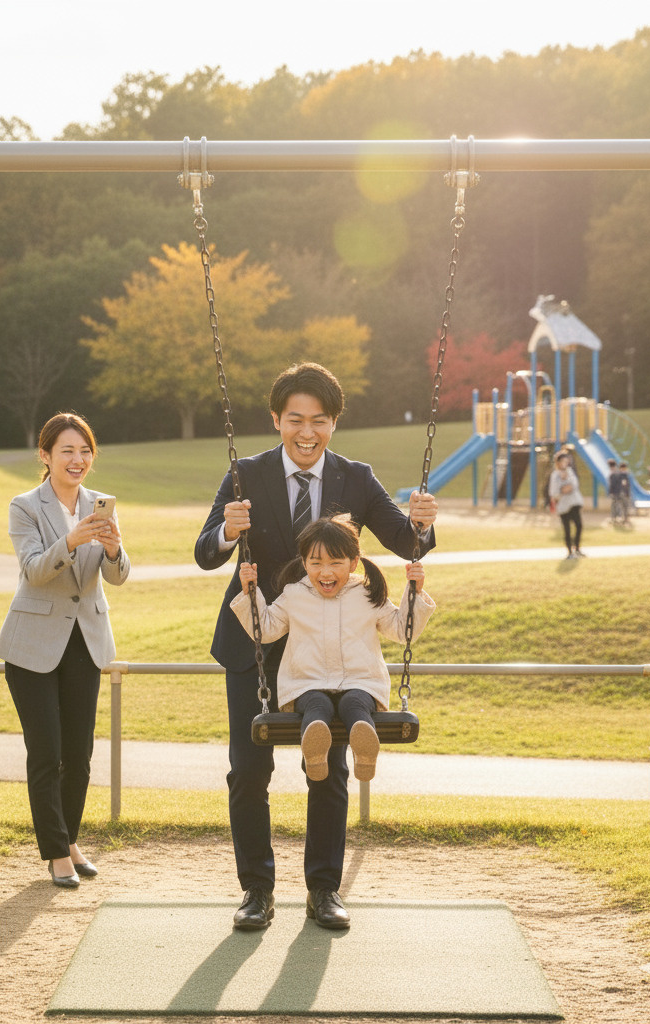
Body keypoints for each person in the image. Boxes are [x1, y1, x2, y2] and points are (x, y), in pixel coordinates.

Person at [194, 362, 437, 932]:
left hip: (329, 647)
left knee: (326, 766)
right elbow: (206, 552)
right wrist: (229, 531)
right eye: (295, 420)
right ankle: (256, 889)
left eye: (319, 421)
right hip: (257, 640)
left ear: (334, 423)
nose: (307, 433)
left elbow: (405, 539)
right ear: (276, 419)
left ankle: (323, 890)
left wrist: (422, 524)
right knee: (248, 771)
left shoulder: (356, 477)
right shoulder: (245, 474)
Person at [0, 412, 130, 889]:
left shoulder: (101, 504)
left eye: (85, 450)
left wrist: (113, 549)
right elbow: (34, 570)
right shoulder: (25, 506)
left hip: (85, 643)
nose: (78, 460)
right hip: (32, 646)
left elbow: (117, 575)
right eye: (67, 451)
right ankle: (55, 853)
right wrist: (71, 540)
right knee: (46, 753)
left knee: (80, 753)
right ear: (46, 455)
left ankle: (69, 839)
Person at [231, 516, 435, 794]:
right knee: (316, 706)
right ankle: (315, 749)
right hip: (308, 682)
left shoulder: (366, 592)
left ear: (353, 563)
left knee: (356, 703)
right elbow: (264, 630)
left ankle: (365, 748)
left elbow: (401, 630)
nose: (325, 572)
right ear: (304, 563)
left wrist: (415, 592)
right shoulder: (295, 595)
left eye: (335, 563)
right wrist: (250, 594)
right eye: (316, 563)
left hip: (359, 681)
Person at [548, 449, 585, 558]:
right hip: (563, 506)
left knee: (579, 525)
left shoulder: (570, 472)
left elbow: (574, 485)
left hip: (574, 503)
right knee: (567, 529)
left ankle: (577, 548)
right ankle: (570, 552)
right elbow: (554, 492)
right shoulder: (555, 475)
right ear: (558, 462)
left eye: (566, 461)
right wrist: (562, 488)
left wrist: (567, 487)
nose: (565, 463)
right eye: (563, 461)